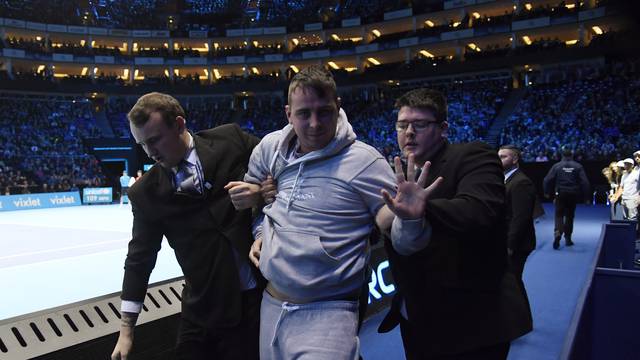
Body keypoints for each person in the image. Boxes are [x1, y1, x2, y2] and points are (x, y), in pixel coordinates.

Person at [239, 65, 397, 359]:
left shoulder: (365, 161)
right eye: (303, 113)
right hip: (271, 305)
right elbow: (258, 207)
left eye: (324, 111)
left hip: (328, 313)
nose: (314, 123)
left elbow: (397, 231)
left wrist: (407, 221)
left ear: (338, 108)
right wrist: (260, 232)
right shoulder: (269, 149)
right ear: (288, 114)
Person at [378, 88, 532, 360]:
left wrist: (420, 210)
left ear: (443, 128)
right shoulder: (396, 173)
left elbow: (479, 209)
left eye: (420, 124)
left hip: (473, 321)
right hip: (416, 317)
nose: (409, 132)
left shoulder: (475, 155)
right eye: (402, 125)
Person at [110, 92, 263, 360]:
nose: (150, 152)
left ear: (179, 125)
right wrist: (126, 329)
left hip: (255, 302)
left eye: (155, 140)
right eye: (142, 144)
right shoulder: (145, 193)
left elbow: (282, 169)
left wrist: (261, 191)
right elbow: (139, 258)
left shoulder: (231, 140)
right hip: (201, 310)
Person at [498, 144, 536, 321]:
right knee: (511, 282)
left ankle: (521, 321)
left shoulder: (521, 182)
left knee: (512, 282)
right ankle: (519, 320)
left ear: (515, 159)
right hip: (508, 240)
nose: (499, 160)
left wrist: (510, 246)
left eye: (503, 157)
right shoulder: (505, 179)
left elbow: (520, 218)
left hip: (517, 243)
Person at [543, 145, 590, 249]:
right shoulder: (578, 166)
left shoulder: (557, 166)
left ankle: (557, 233)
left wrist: (546, 192)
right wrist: (586, 197)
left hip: (560, 193)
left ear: (562, 155)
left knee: (559, 215)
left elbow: (547, 180)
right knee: (569, 215)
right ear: (572, 155)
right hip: (573, 194)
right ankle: (568, 238)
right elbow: (585, 183)